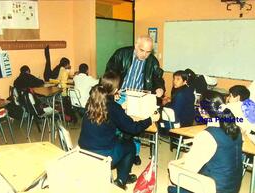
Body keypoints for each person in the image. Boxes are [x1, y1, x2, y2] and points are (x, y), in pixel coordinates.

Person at [78, 71, 160, 190]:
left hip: (83, 150)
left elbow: (106, 112)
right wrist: (151, 119)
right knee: (130, 146)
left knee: (120, 140)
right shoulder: (113, 107)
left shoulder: (91, 102)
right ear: (116, 89)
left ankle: (123, 176)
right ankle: (121, 181)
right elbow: (134, 128)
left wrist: (119, 107)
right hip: (102, 154)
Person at [168, 90, 243, 193]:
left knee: (173, 181)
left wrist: (175, 164)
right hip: (232, 188)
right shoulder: (236, 129)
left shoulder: (207, 135)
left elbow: (189, 169)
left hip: (213, 189)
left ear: (203, 111)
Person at [106, 35, 165, 165]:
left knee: (135, 126)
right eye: (141, 50)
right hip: (120, 95)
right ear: (136, 46)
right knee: (118, 126)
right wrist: (112, 90)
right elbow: (110, 73)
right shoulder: (121, 54)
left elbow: (158, 78)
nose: (144, 55)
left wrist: (160, 87)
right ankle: (118, 150)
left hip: (138, 97)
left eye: (148, 52)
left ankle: (134, 153)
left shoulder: (152, 61)